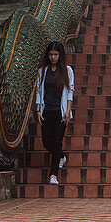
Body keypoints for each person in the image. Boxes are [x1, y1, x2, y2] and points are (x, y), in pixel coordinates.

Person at [34, 41, 74, 184]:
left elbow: (70, 91)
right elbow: (38, 92)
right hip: (46, 111)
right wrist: (38, 110)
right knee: (47, 142)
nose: (53, 57)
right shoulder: (42, 71)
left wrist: (68, 110)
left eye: (56, 54)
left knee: (56, 142)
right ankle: (61, 157)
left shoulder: (67, 71)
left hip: (60, 112)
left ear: (60, 55)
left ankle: (53, 175)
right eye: (51, 54)